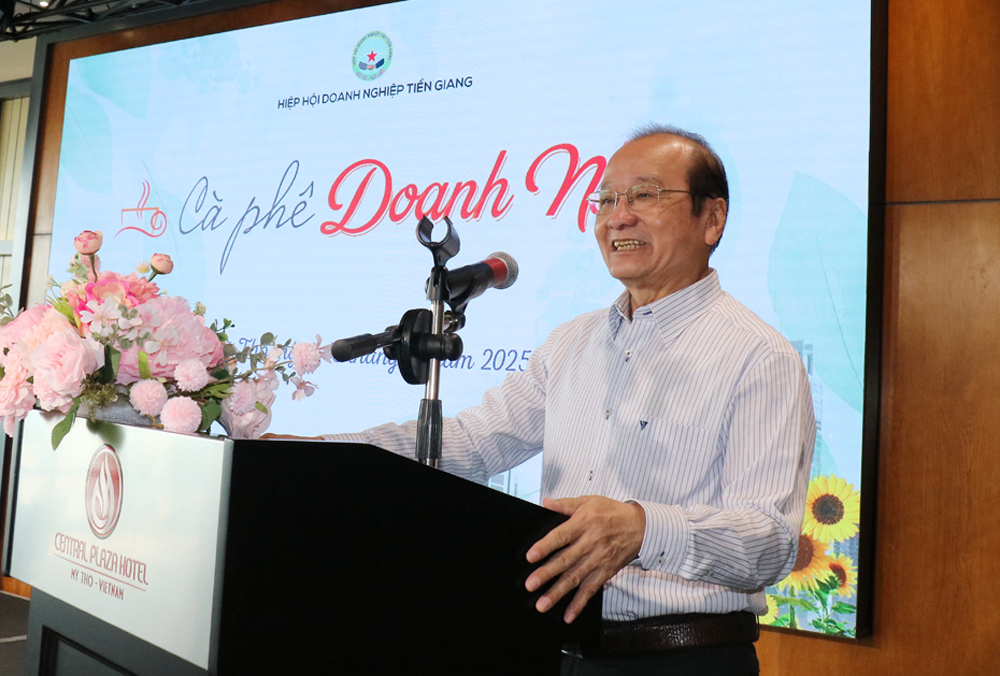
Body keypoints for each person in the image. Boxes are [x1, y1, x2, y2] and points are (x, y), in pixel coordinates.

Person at [317, 125, 816, 675]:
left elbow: (770, 542)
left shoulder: (758, 356)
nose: (617, 217)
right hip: (558, 653)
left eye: (644, 195)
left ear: (713, 219)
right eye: (606, 200)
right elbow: (471, 443)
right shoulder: (571, 341)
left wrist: (642, 528)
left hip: (685, 658)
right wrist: (317, 452)